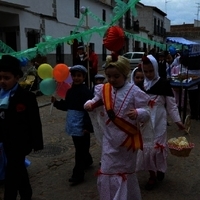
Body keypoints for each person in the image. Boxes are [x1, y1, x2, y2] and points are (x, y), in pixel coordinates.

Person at [84, 53, 151, 200]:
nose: (112, 79)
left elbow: (147, 111)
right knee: (107, 170)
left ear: (125, 74)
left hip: (127, 142)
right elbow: (96, 100)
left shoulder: (135, 91)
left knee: (124, 172)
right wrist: (89, 104)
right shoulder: (104, 89)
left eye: (116, 76)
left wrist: (138, 112)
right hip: (109, 139)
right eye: (109, 76)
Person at [137, 55, 185, 190]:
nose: (148, 74)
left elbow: (171, 105)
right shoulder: (141, 85)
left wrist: (177, 121)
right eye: (145, 71)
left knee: (158, 148)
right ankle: (151, 174)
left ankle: (160, 169)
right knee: (148, 149)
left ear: (156, 69)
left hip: (159, 122)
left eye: (151, 71)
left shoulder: (164, 84)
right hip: (145, 123)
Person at [0, 55, 43, 200]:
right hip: (4, 143)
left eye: (6, 78)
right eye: (0, 78)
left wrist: (37, 142)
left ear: (17, 77)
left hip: (19, 143)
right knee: (19, 172)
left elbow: (34, 121)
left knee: (11, 176)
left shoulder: (26, 97)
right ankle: (26, 193)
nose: (2, 82)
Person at [51, 65, 94, 185]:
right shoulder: (70, 91)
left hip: (82, 124)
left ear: (84, 77)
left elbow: (89, 111)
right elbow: (67, 105)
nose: (76, 78)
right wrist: (56, 103)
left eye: (79, 76)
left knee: (80, 149)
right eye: (74, 75)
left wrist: (87, 127)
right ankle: (87, 160)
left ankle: (78, 174)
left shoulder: (86, 92)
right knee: (80, 147)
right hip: (73, 123)